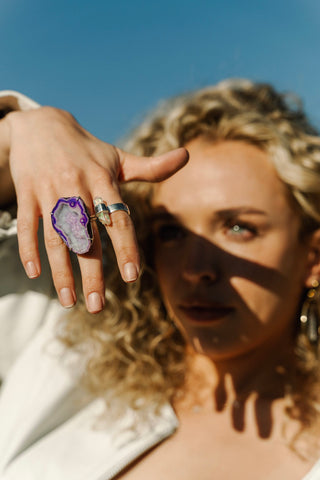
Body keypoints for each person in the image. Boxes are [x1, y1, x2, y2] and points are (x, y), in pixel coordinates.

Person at [1, 80, 320, 479]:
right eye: (171, 231)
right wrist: (26, 131)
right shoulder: (68, 358)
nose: (195, 269)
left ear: (314, 256)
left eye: (238, 228)